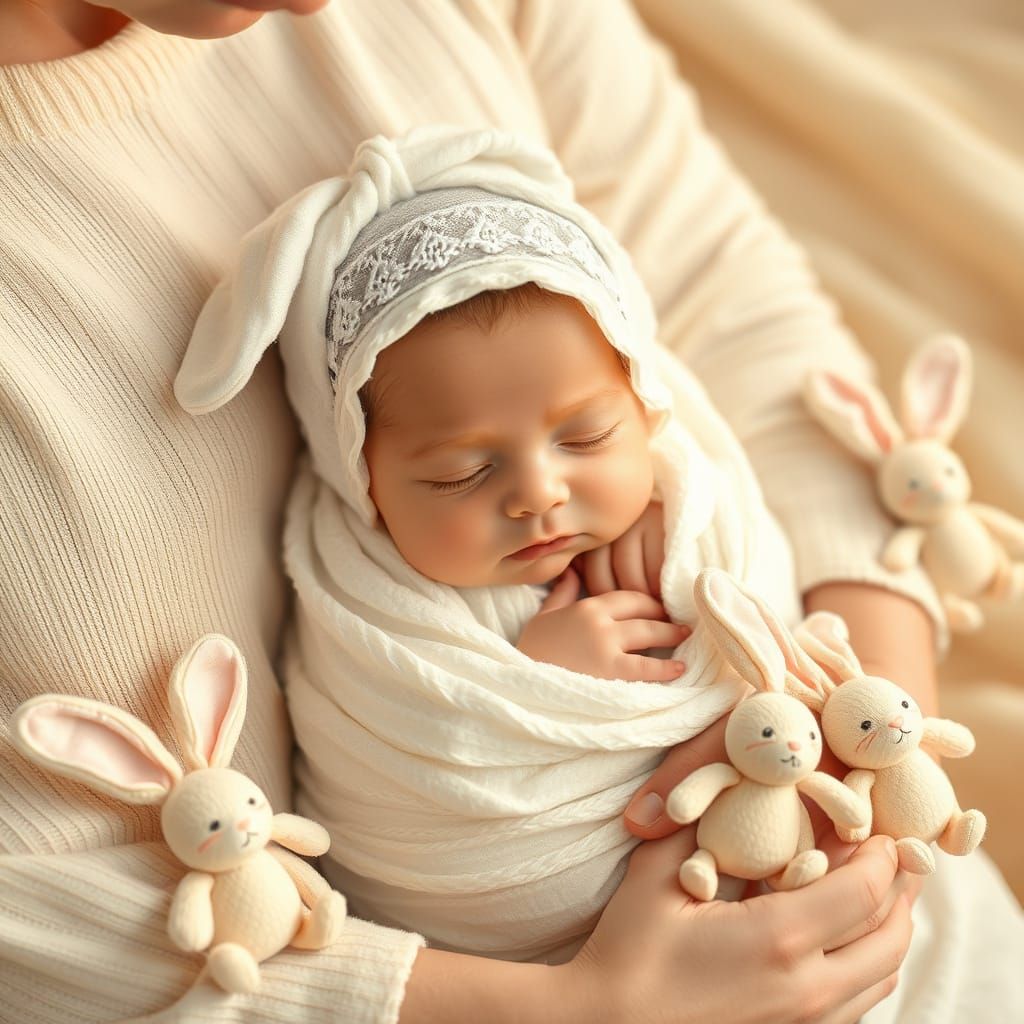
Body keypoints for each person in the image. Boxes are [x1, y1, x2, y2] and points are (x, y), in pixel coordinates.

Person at [1, 2, 1020, 1023]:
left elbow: (730, 303)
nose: (538, 495)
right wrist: (587, 1005)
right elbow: (408, 698)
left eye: (585, 437)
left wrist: (875, 732)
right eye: (453, 475)